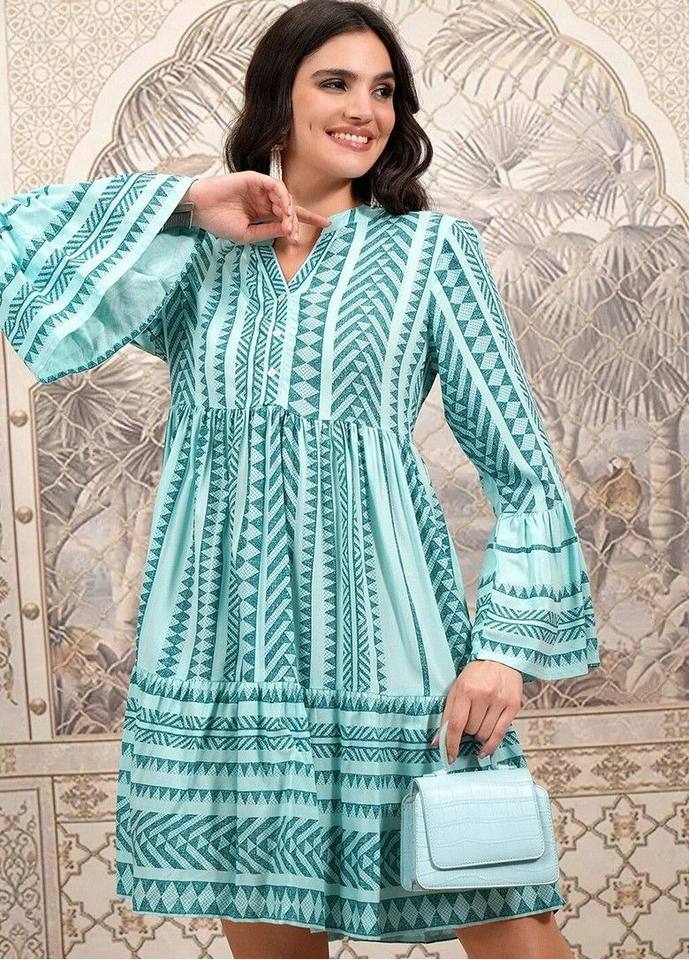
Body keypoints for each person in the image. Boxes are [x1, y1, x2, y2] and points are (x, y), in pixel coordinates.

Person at [0, 1, 600, 957]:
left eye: (383, 90)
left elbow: (523, 470)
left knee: (505, 916)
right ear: (276, 97)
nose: (366, 108)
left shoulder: (430, 254)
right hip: (225, 658)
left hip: (390, 651)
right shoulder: (199, 258)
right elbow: (17, 244)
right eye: (335, 82)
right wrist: (189, 204)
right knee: (272, 935)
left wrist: (501, 652)